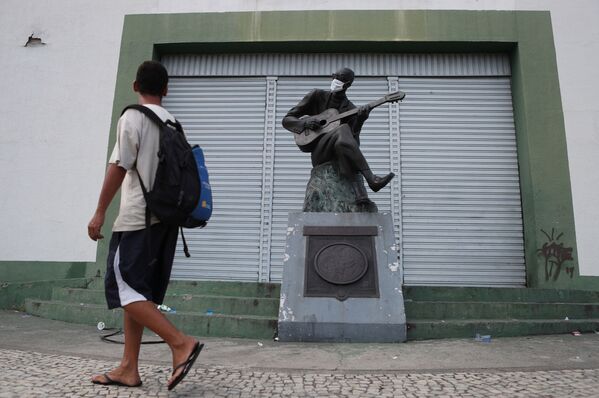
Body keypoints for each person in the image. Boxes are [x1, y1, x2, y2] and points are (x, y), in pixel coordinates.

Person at [87, 60, 202, 391]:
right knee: (138, 292)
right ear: (166, 89)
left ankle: (180, 343)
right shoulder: (174, 123)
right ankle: (128, 368)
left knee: (126, 289)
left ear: (135, 86)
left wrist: (98, 213)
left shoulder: (132, 118)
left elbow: (119, 166)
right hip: (165, 221)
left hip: (137, 219)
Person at [282, 67, 395, 205]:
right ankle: (371, 179)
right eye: (334, 76)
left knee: (343, 139)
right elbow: (287, 120)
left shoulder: (351, 109)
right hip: (319, 152)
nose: (335, 80)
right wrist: (306, 123)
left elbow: (353, 145)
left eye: (339, 78)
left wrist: (360, 120)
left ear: (347, 84)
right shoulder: (316, 96)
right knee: (343, 129)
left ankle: (360, 196)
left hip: (339, 152)